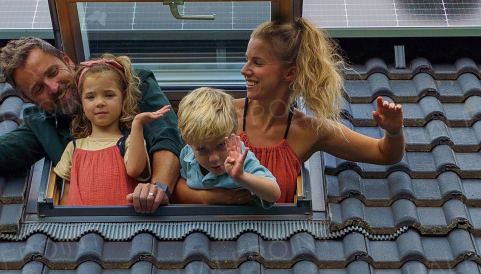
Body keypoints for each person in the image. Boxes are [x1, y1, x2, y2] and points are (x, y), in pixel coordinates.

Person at [0, 37, 181, 213]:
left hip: (157, 220)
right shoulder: (42, 126)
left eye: (52, 72)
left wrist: (157, 190)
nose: (53, 87)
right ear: (30, 100)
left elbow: (167, 138)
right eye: (38, 88)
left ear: (67, 60)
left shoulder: (132, 83)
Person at [173, 18, 404, 205]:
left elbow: (385, 154)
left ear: (289, 73)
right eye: (246, 60)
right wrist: (209, 198)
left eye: (257, 63)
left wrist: (394, 132)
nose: (245, 70)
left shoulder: (310, 131)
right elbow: (176, 174)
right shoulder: (222, 115)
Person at [53, 55, 172, 205]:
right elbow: (67, 194)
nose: (100, 103)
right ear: (81, 103)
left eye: (109, 95)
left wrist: (137, 124)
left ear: (123, 98)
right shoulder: (74, 147)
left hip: (122, 224)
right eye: (90, 97)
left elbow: (135, 170)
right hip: (81, 225)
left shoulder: (129, 141)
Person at [176, 86, 280, 208]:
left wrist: (242, 177)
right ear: (188, 143)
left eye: (221, 145)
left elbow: (274, 193)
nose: (214, 158)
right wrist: (210, 197)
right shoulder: (187, 155)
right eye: (202, 149)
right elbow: (181, 184)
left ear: (233, 134)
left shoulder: (240, 158)